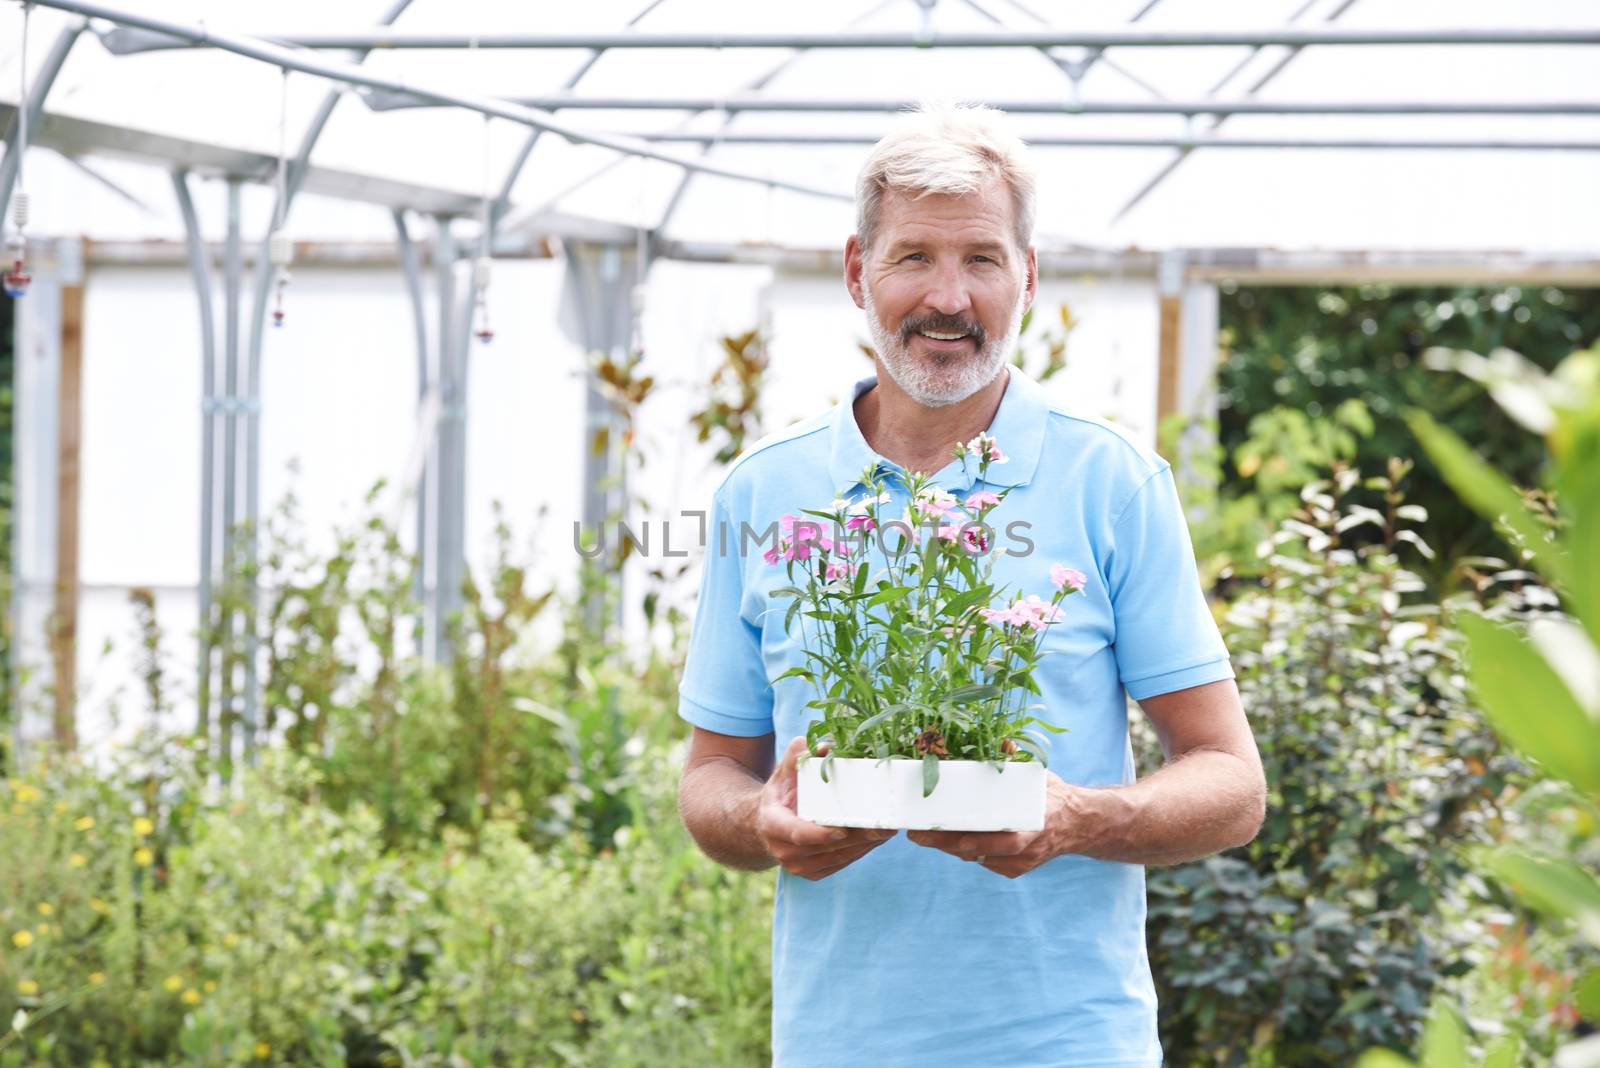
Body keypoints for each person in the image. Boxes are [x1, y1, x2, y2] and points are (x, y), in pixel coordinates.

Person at [675, 101, 1266, 1067]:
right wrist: (763, 821)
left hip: (1070, 1044)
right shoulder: (764, 492)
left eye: (982, 259)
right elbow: (712, 781)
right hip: (839, 1044)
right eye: (914, 256)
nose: (948, 296)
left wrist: (1077, 816)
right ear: (857, 269)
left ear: (1027, 277)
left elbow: (1233, 784)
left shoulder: (1111, 484)